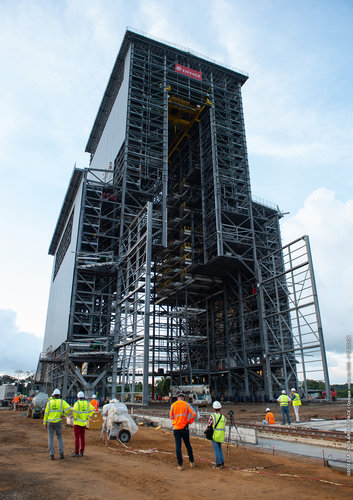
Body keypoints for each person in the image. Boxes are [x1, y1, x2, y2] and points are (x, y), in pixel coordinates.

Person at [170, 391, 197, 470]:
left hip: (176, 428)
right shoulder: (186, 404)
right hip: (185, 427)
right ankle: (192, 462)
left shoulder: (173, 405)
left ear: (178, 397)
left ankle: (180, 465)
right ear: (184, 398)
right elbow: (194, 414)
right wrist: (189, 421)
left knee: (178, 446)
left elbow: (171, 417)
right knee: (188, 445)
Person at [43, 388, 71, 460]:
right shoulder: (62, 402)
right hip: (58, 421)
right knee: (59, 437)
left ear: (53, 395)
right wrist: (64, 414)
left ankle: (51, 454)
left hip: (50, 421)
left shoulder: (49, 403)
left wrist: (45, 422)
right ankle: (61, 453)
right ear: (59, 395)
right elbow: (69, 408)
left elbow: (46, 413)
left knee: (50, 438)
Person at [71, 391, 95, 457]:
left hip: (77, 423)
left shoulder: (77, 403)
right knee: (82, 438)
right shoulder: (87, 403)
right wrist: (88, 416)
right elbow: (93, 409)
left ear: (78, 397)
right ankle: (82, 452)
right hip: (84, 423)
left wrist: (75, 417)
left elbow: (74, 411)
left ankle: (76, 452)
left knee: (77, 438)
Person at [206, 401, 227, 468]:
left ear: (214, 408)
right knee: (219, 448)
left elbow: (209, 424)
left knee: (216, 449)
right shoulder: (223, 417)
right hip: (221, 435)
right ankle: (222, 462)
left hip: (215, 435)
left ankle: (218, 463)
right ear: (220, 408)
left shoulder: (213, 416)